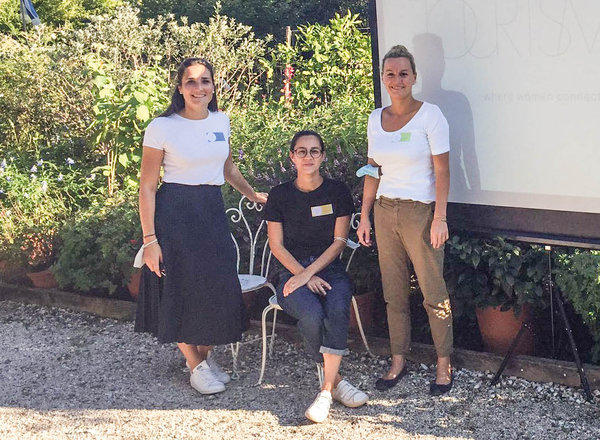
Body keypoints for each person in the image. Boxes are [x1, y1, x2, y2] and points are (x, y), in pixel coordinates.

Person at [134, 57, 267, 395]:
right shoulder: (161, 127)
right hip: (175, 213)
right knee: (179, 287)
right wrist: (150, 240)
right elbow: (147, 186)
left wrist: (252, 194)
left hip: (211, 211)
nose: (198, 88)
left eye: (205, 81)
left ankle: (203, 358)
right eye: (190, 81)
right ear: (180, 88)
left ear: (213, 86)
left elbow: (228, 168)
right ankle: (195, 365)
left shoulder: (221, 120)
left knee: (217, 287)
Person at [357, 45, 453, 396]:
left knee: (433, 292)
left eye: (403, 74)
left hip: (420, 213)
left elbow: (442, 171)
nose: (396, 80)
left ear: (414, 77)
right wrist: (364, 216)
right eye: (390, 74)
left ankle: (444, 363)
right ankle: (398, 360)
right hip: (385, 212)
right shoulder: (375, 118)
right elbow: (373, 169)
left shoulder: (431, 116)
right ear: (383, 78)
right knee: (393, 293)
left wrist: (440, 217)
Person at [264, 130, 368, 423]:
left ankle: (324, 392)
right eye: (301, 151)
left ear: (323, 156)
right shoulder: (279, 195)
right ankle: (337, 382)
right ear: (292, 157)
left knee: (337, 307)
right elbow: (276, 246)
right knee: (311, 315)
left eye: (314, 151)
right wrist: (302, 275)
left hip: (329, 270)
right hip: (290, 272)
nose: (307, 156)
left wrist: (310, 273)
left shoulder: (337, 192)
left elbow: (339, 242)